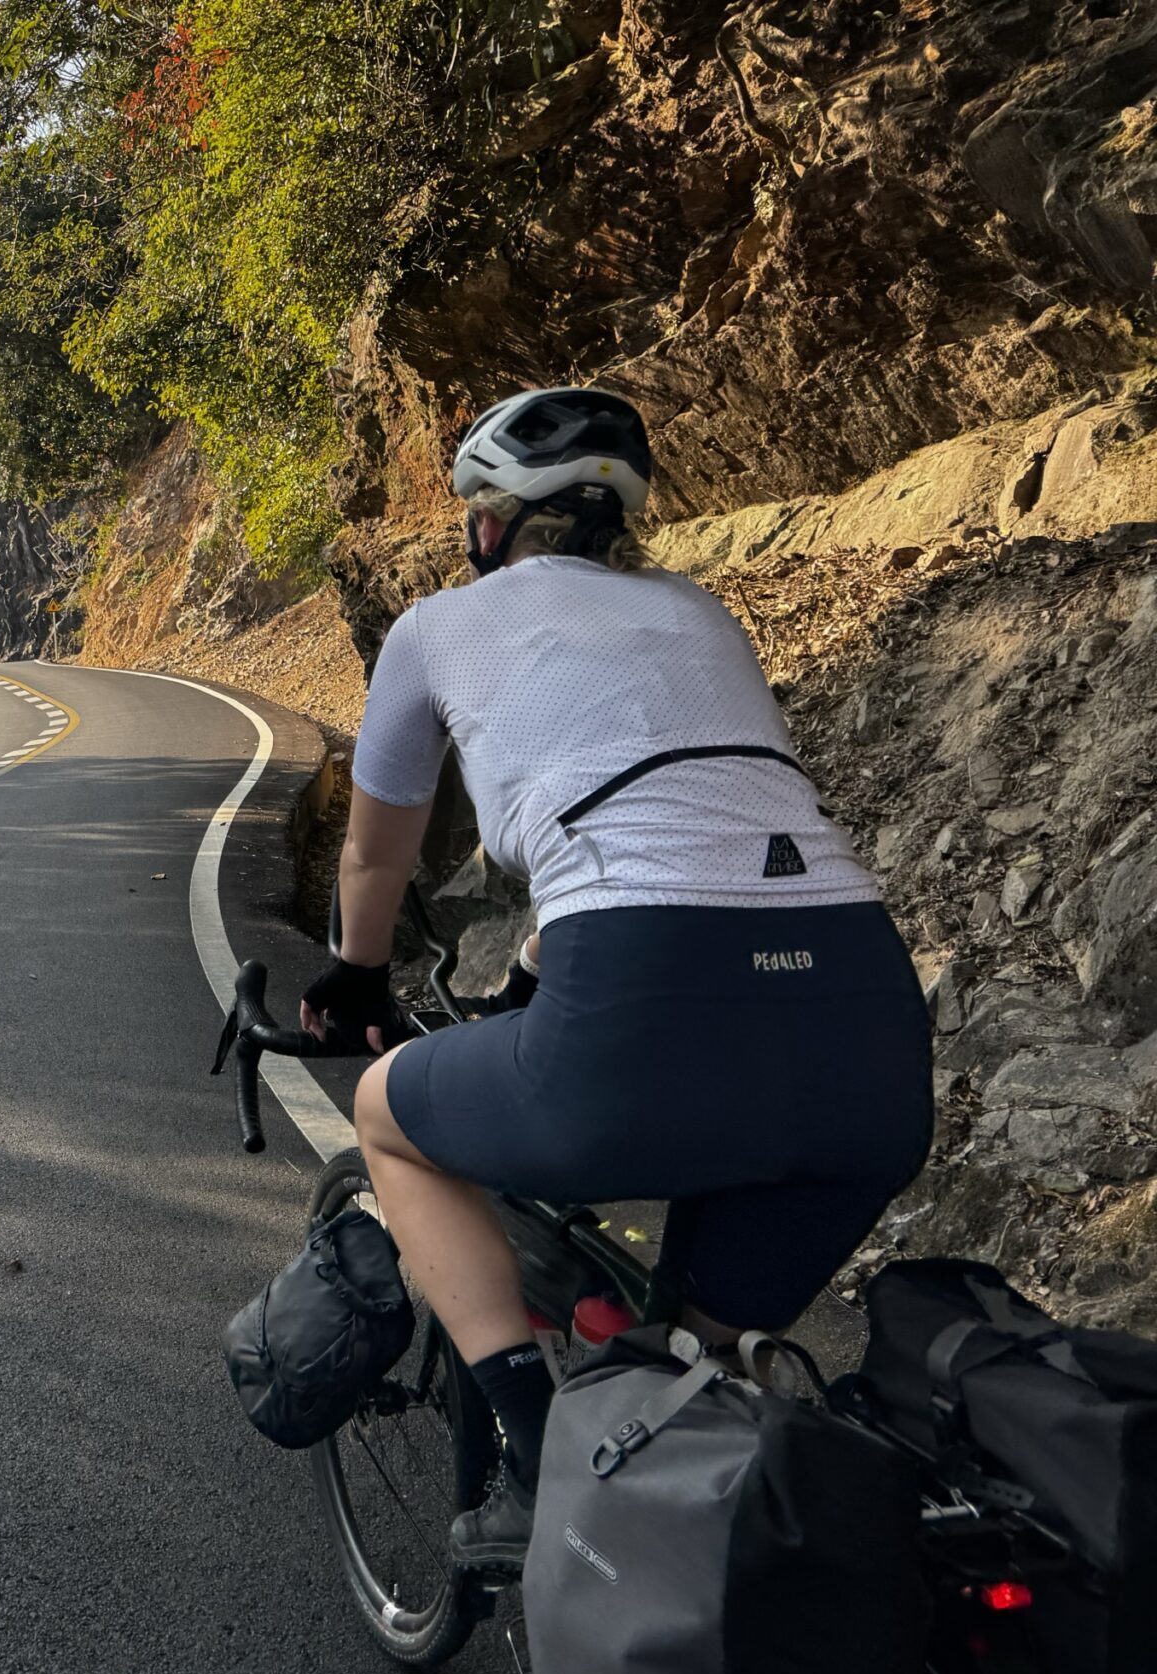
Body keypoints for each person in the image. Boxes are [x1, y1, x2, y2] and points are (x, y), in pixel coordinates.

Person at [299, 387, 932, 1570]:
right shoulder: (698, 613)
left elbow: (375, 855)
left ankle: (530, 1449)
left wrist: (355, 975)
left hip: (643, 999)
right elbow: (688, 831)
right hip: (865, 1028)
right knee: (681, 1373)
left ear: (488, 520)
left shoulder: (436, 628)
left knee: (386, 1117)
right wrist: (533, 969)